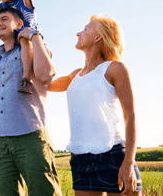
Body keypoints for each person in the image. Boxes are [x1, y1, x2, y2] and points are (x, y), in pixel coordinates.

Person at [0, 7, 62, 196]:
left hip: (31, 136)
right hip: (1, 140)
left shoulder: (32, 49)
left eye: (4, 19)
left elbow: (46, 75)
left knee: (44, 193)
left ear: (19, 24)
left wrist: (35, 36)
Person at [48, 14, 142, 196]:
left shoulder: (115, 68)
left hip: (113, 156)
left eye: (85, 29)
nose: (78, 33)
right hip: (80, 159)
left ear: (98, 37)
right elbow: (44, 85)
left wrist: (128, 163)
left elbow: (130, 116)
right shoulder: (74, 75)